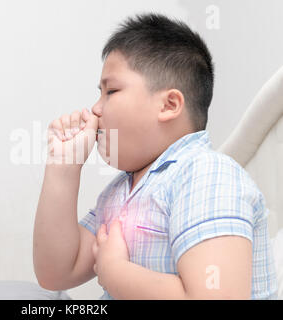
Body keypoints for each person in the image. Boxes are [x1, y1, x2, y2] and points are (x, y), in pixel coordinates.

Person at [33, 13, 278, 299]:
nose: (95, 109)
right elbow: (57, 272)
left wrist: (115, 273)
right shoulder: (121, 191)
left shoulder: (207, 174)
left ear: (169, 105)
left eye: (110, 91)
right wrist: (63, 167)